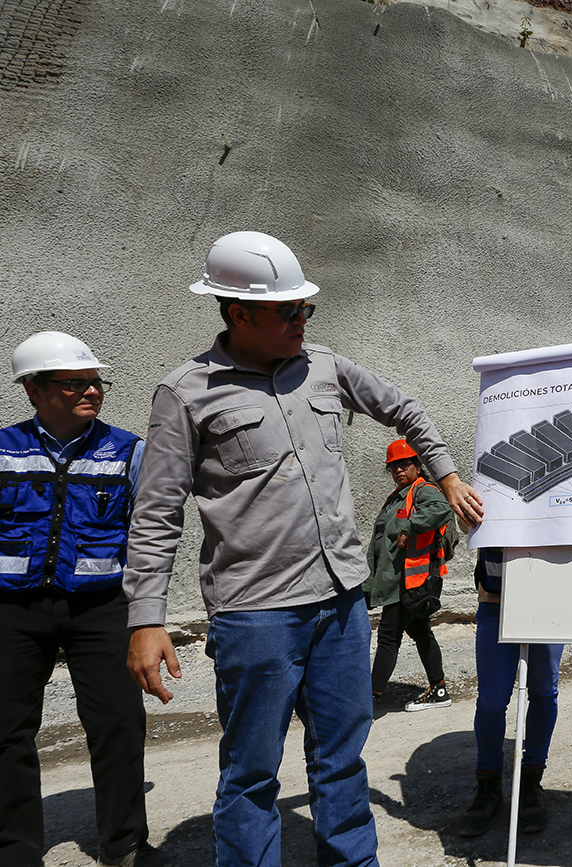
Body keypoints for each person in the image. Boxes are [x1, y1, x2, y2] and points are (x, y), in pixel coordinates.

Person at [123, 231, 484, 867]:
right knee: (251, 773)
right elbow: (156, 512)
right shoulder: (185, 394)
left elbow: (404, 409)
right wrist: (146, 617)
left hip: (342, 602)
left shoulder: (324, 366)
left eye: (306, 309)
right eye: (288, 310)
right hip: (256, 613)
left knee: (343, 760)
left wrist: (448, 474)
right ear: (238, 313)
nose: (302, 320)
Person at [0, 332, 166, 867]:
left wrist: (147, 616)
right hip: (12, 609)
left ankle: (125, 846)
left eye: (96, 382)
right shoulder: (3, 450)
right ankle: (15, 851)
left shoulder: (129, 451)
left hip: (101, 609)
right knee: (6, 731)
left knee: (119, 723)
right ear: (33, 390)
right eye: (75, 383)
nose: (91, 391)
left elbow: (149, 535)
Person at [457, 547, 563, 837]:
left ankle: (530, 782)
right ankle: (489, 788)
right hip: (495, 601)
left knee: (543, 691)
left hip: (550, 598)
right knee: (491, 700)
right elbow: (466, 522)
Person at [365, 438, 456, 711]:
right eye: (393, 467)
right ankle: (438, 690)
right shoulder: (397, 496)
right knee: (421, 631)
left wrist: (408, 525)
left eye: (404, 465)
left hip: (409, 581)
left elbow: (441, 509)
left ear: (418, 465)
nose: (398, 471)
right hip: (397, 579)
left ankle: (368, 703)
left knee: (388, 638)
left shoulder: (424, 490)